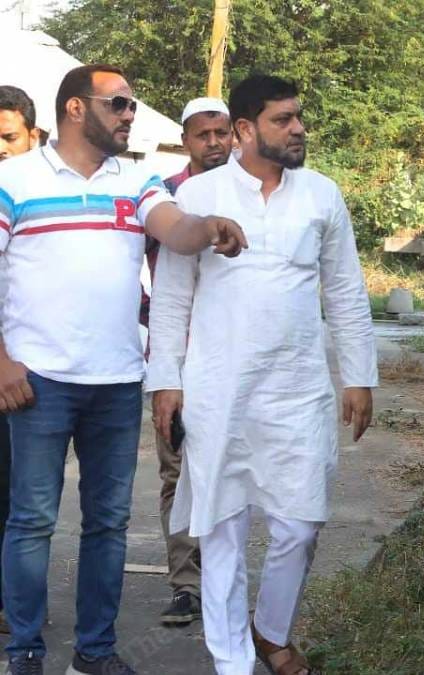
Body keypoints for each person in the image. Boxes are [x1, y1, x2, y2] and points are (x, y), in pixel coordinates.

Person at [0, 64, 247, 675]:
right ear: (77, 109)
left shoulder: (138, 181)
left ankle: (95, 653)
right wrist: (3, 362)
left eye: (133, 105)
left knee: (107, 523)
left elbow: (174, 227)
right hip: (38, 382)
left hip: (114, 381)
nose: (131, 114)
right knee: (32, 520)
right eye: (121, 104)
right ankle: (24, 649)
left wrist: (205, 228)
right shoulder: (15, 179)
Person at [146, 74, 377, 675]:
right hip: (218, 388)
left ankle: (269, 630)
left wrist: (359, 376)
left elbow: (347, 291)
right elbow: (172, 298)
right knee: (221, 528)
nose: (298, 128)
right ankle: (231, 661)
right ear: (247, 130)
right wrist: (165, 381)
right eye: (283, 119)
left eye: (298, 117)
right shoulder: (199, 196)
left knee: (300, 524)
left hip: (298, 388)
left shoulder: (322, 194)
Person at [148, 97, 235, 627]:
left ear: (236, 134)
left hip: (233, 360)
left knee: (231, 470)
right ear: (186, 140)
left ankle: (225, 579)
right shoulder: (166, 199)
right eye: (202, 135)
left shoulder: (250, 192)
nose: (214, 143)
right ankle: (186, 584)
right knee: (177, 472)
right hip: (178, 363)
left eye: (221, 132)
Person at [0, 85, 41, 637]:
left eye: (9, 138)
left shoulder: (51, 196)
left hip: (32, 369)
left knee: (21, 496)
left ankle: (16, 605)